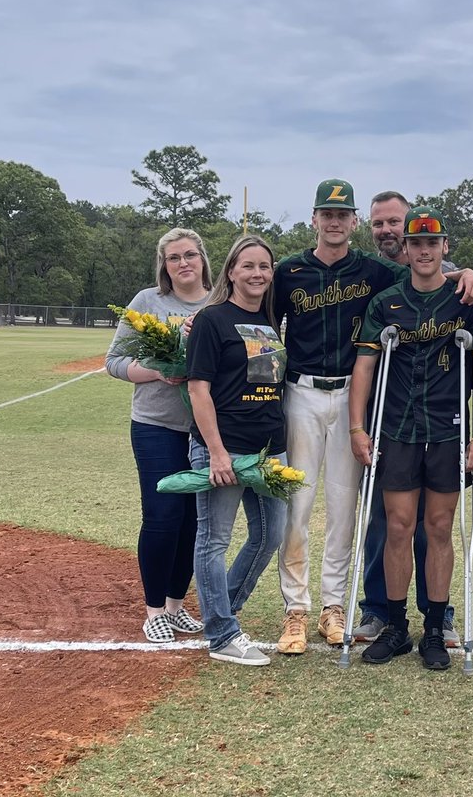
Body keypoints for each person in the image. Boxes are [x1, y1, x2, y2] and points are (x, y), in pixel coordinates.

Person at [273, 181, 473, 656]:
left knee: (348, 508)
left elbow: (428, 275)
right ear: (315, 218)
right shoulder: (288, 271)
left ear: (352, 222)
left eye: (341, 214)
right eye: (327, 213)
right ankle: (297, 608)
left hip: (355, 394)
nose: (334, 221)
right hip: (302, 392)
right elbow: (253, 307)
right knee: (300, 505)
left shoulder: (376, 270)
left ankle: (337, 606)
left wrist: (464, 273)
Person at [349, 205, 473, 670]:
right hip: (397, 428)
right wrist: (357, 427)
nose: (424, 251)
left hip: (448, 430)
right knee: (397, 527)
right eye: (416, 243)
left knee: (438, 527)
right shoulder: (386, 303)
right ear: (408, 248)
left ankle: (434, 626)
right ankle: (396, 627)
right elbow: (365, 367)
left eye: (432, 243)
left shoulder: (467, 302)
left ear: (444, 247)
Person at [353, 190, 463, 646]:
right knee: (388, 521)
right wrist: (359, 427)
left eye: (394, 222)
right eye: (378, 223)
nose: (388, 231)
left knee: (434, 525)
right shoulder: (376, 275)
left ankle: (437, 616)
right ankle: (382, 613)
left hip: (440, 423)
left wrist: (466, 275)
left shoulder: (453, 282)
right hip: (393, 419)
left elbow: (444, 276)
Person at [186, 234, 289, 666]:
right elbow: (198, 389)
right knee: (214, 540)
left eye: (264, 266)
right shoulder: (211, 320)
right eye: (248, 265)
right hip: (224, 449)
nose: (257, 274)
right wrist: (216, 452)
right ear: (231, 271)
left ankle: (221, 609)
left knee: (270, 536)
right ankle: (222, 634)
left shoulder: (270, 321)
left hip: (269, 451)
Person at [106, 228, 213, 644]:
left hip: (204, 431)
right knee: (163, 515)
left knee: (192, 522)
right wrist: (157, 370)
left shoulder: (218, 303)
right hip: (156, 426)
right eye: (174, 258)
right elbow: (114, 362)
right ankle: (153, 610)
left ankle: (174, 606)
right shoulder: (147, 302)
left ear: (202, 259)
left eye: (189, 255)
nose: (183, 263)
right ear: (164, 266)